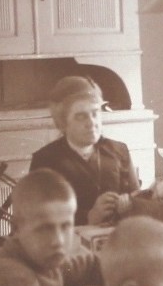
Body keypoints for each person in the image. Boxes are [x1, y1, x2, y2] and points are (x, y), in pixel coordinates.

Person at [30, 76, 138, 226]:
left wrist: (128, 205)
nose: (91, 122)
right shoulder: (45, 160)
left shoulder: (119, 151)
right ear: (63, 123)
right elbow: (39, 219)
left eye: (95, 113)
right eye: (81, 117)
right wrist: (89, 217)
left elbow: (137, 201)